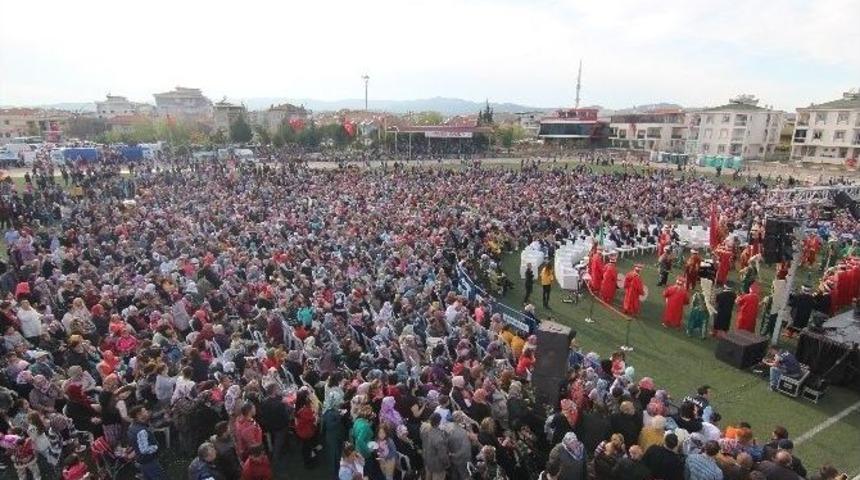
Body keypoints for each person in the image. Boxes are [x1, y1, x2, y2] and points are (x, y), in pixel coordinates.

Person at [127, 405, 166, 480]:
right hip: (149, 461)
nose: (147, 412)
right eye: (144, 411)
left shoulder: (132, 427)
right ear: (139, 415)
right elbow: (144, 450)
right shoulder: (141, 431)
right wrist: (156, 447)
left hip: (142, 462)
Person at [420, 413, 450, 480]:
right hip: (437, 466)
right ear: (439, 422)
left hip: (427, 460)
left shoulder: (424, 430)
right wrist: (447, 464)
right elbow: (443, 455)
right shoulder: (439, 438)